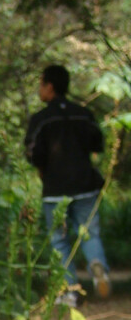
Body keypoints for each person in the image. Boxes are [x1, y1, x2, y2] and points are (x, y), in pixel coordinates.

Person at [24, 63, 111, 305]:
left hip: (55, 190)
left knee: (59, 240)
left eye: (40, 84)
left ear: (49, 86)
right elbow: (98, 143)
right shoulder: (83, 114)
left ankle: (71, 290)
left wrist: (43, 168)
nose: (39, 90)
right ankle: (98, 266)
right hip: (86, 186)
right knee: (89, 233)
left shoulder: (41, 120)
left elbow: (32, 154)